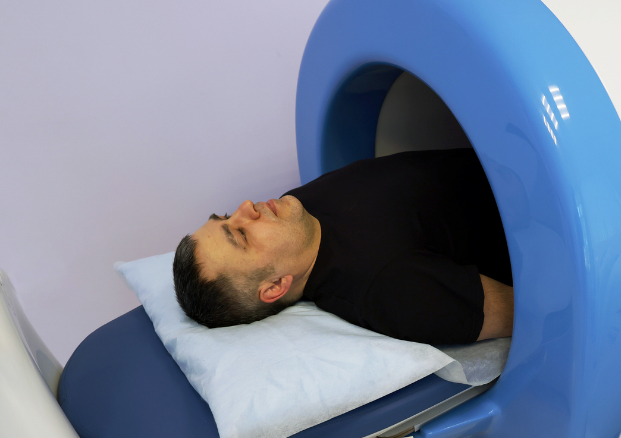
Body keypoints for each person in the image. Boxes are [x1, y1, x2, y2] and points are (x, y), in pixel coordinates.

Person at [173, 148, 513, 345]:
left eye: (228, 216)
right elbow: (524, 314)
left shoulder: (294, 212)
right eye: (242, 235)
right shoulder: (390, 289)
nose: (246, 207)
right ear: (276, 286)